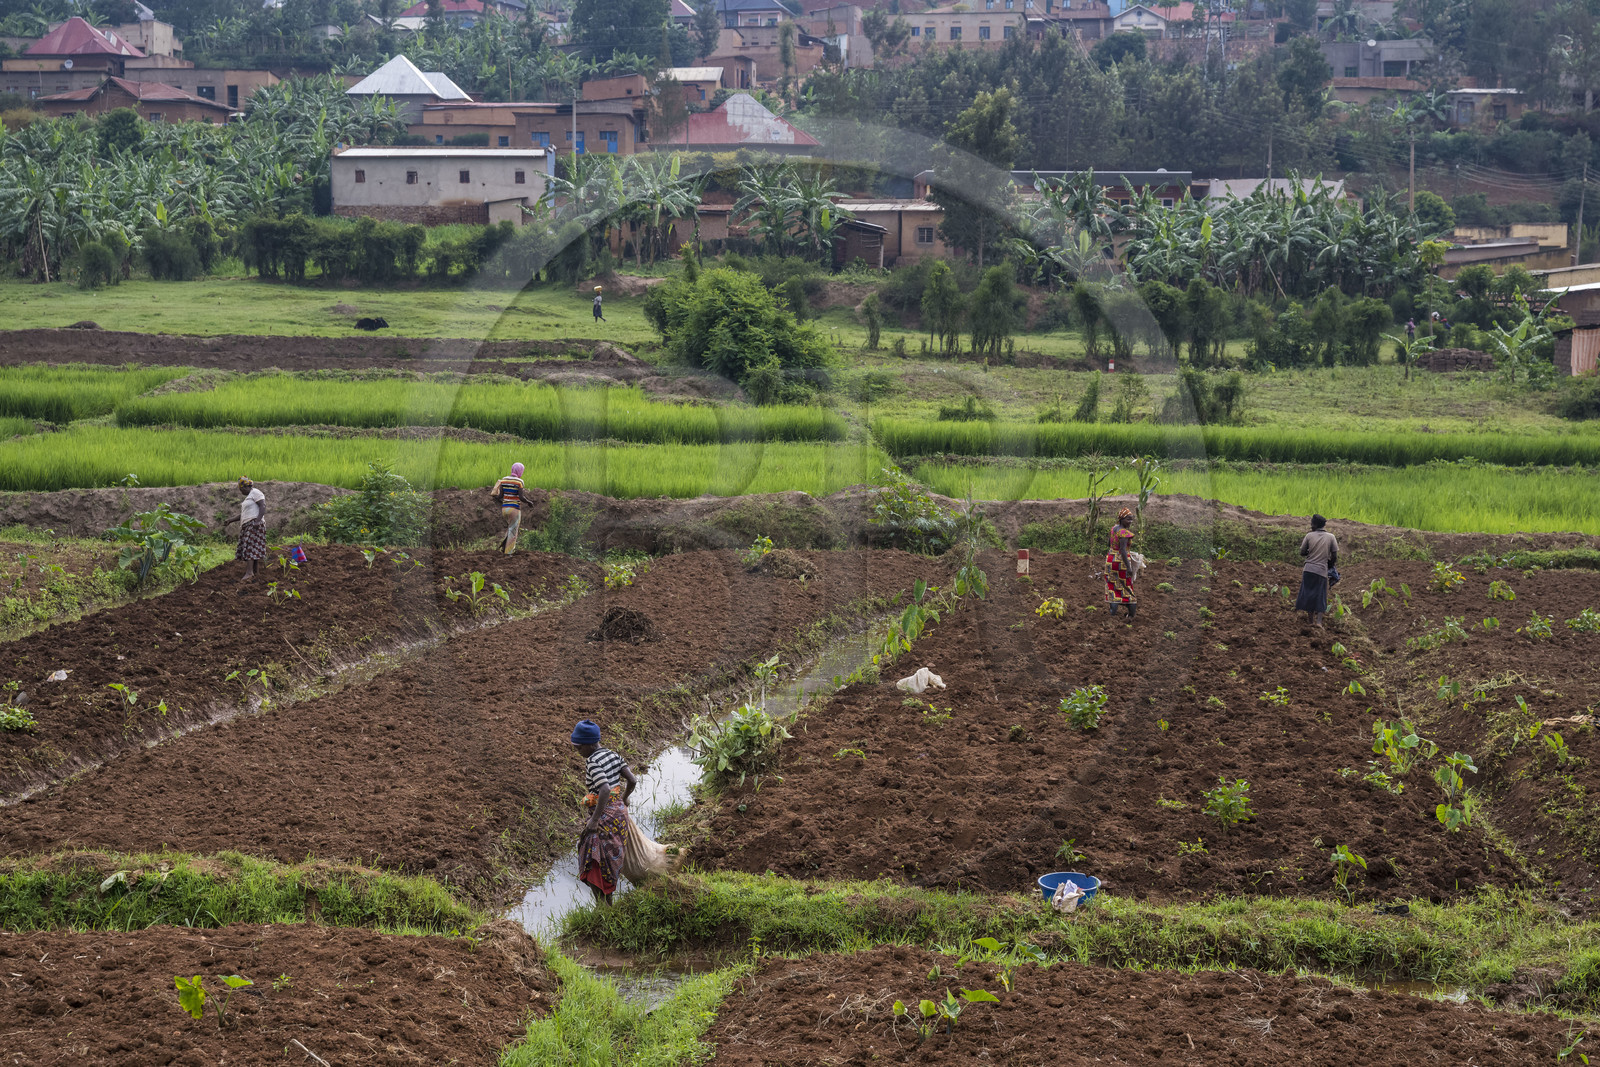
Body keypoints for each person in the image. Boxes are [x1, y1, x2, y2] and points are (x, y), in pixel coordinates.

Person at [572, 719, 637, 905]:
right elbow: (632, 780)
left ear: (590, 744)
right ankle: (608, 903)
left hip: (604, 817)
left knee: (594, 858)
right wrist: (624, 799)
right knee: (610, 858)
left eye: (579, 747)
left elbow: (605, 789)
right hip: (619, 814)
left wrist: (594, 819)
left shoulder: (592, 761)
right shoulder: (613, 754)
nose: (578, 751)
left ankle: (603, 907)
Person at [1296, 514, 1339, 628]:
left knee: (1309, 593)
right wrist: (1330, 564)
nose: (1310, 525)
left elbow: (1302, 552)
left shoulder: (1309, 536)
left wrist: (1310, 552)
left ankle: (1310, 622)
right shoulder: (1331, 537)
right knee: (1320, 595)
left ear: (1314, 525)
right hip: (1321, 570)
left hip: (1308, 569)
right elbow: (1334, 555)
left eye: (1311, 523)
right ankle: (1319, 622)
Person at [224, 477, 267, 583]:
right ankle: (255, 572)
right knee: (253, 547)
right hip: (248, 524)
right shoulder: (248, 497)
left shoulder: (256, 492)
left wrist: (257, 521)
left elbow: (263, 506)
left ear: (246, 487)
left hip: (254, 524)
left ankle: (249, 572)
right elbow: (243, 514)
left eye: (241, 489)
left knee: (250, 547)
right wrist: (230, 520)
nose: (241, 491)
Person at [1105, 507, 1138, 619]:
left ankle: (1112, 614)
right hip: (1121, 563)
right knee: (1127, 587)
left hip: (1110, 560)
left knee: (1113, 586)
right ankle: (1131, 615)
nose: (1130, 522)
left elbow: (1109, 542)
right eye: (1128, 519)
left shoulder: (1114, 529)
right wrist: (1129, 568)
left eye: (1131, 519)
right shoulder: (1124, 533)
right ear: (1121, 519)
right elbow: (1123, 550)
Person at [489, 462, 525, 555]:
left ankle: (504, 547)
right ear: (520, 471)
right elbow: (521, 497)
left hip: (505, 509)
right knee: (513, 531)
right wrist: (529, 502)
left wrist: (494, 496)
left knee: (510, 528)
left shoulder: (504, 480)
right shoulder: (519, 481)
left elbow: (500, 496)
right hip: (514, 509)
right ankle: (508, 553)